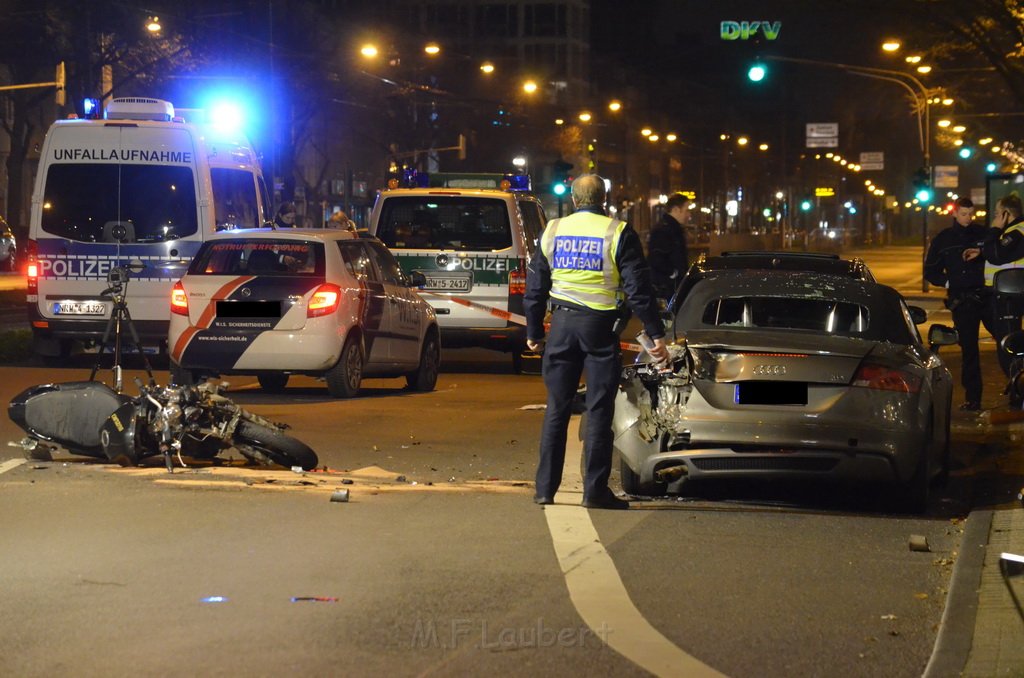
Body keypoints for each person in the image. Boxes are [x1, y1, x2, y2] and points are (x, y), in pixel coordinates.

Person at [524, 174, 669, 510]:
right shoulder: (617, 232)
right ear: (603, 198)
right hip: (600, 329)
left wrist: (534, 333)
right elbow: (638, 289)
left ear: (574, 200)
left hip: (561, 326)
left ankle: (545, 489)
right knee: (600, 409)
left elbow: (535, 288)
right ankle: (595, 492)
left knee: (556, 410)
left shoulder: (553, 230)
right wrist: (656, 334)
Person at [924, 197, 992, 411]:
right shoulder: (944, 239)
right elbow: (930, 271)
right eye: (963, 214)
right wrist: (948, 281)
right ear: (954, 213)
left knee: (1005, 340)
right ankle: (974, 399)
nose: (968, 218)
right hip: (962, 300)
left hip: (986, 296)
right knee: (969, 350)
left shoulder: (982, 234)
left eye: (971, 214)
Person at [983, 192, 1024, 387]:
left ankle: (1018, 393)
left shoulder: (1017, 232)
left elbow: (997, 255)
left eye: (998, 213)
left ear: (1006, 214)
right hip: (1010, 293)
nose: (995, 216)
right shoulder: (1016, 231)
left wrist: (993, 231)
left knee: (1009, 345)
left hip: (1011, 297)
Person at [647, 192, 691, 301]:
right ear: (676, 209)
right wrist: (674, 273)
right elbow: (656, 259)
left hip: (673, 288)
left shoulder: (673, 229)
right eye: (686, 210)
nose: (689, 215)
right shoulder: (663, 231)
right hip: (667, 291)